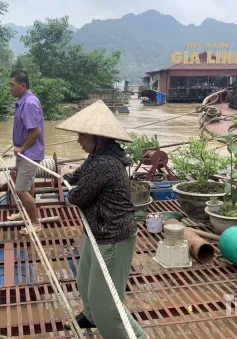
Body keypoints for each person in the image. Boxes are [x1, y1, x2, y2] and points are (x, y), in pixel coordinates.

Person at [56, 100, 149, 339]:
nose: (78, 140)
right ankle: (90, 314)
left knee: (106, 304)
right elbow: (80, 174)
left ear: (98, 137)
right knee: (84, 279)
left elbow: (78, 197)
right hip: (98, 231)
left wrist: (70, 191)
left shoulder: (104, 163)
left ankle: (136, 336)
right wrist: (66, 176)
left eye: (82, 135)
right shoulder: (100, 155)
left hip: (113, 236)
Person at [8, 70, 45, 235]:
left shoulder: (29, 103)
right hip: (23, 153)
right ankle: (25, 214)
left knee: (21, 189)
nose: (9, 88)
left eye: (12, 85)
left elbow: (35, 132)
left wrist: (22, 148)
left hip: (28, 154)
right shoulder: (25, 100)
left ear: (22, 86)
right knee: (27, 185)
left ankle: (36, 223)